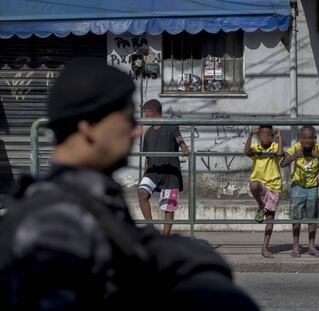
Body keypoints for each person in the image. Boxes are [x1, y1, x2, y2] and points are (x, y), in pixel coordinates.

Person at [0, 58, 258, 310]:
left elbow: (125, 244)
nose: (136, 131)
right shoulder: (55, 225)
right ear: (89, 127)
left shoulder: (88, 197)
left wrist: (195, 257)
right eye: (128, 120)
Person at [138, 99, 190, 235]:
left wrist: (184, 146)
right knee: (142, 193)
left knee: (169, 207)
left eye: (146, 113)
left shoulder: (170, 125)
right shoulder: (148, 134)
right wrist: (145, 174)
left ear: (152, 112)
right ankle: (151, 228)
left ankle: (164, 238)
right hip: (153, 171)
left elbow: (179, 138)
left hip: (170, 172)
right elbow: (147, 158)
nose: (144, 117)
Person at [281, 126, 319, 258]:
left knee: (312, 218)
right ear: (299, 138)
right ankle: (295, 246)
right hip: (298, 186)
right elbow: (283, 163)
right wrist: (294, 156)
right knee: (296, 218)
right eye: (304, 138)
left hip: (313, 187)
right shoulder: (296, 148)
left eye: (311, 138)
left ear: (315, 138)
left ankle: (311, 246)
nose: (307, 141)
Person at [245, 125, 284, 258]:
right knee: (254, 185)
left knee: (269, 217)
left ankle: (265, 247)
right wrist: (250, 134)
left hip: (274, 185)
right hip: (260, 184)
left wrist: (280, 137)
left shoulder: (274, 147)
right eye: (262, 135)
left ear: (272, 137)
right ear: (258, 136)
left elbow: (279, 154)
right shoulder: (256, 148)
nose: (264, 137)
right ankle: (261, 205)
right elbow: (246, 151)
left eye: (268, 135)